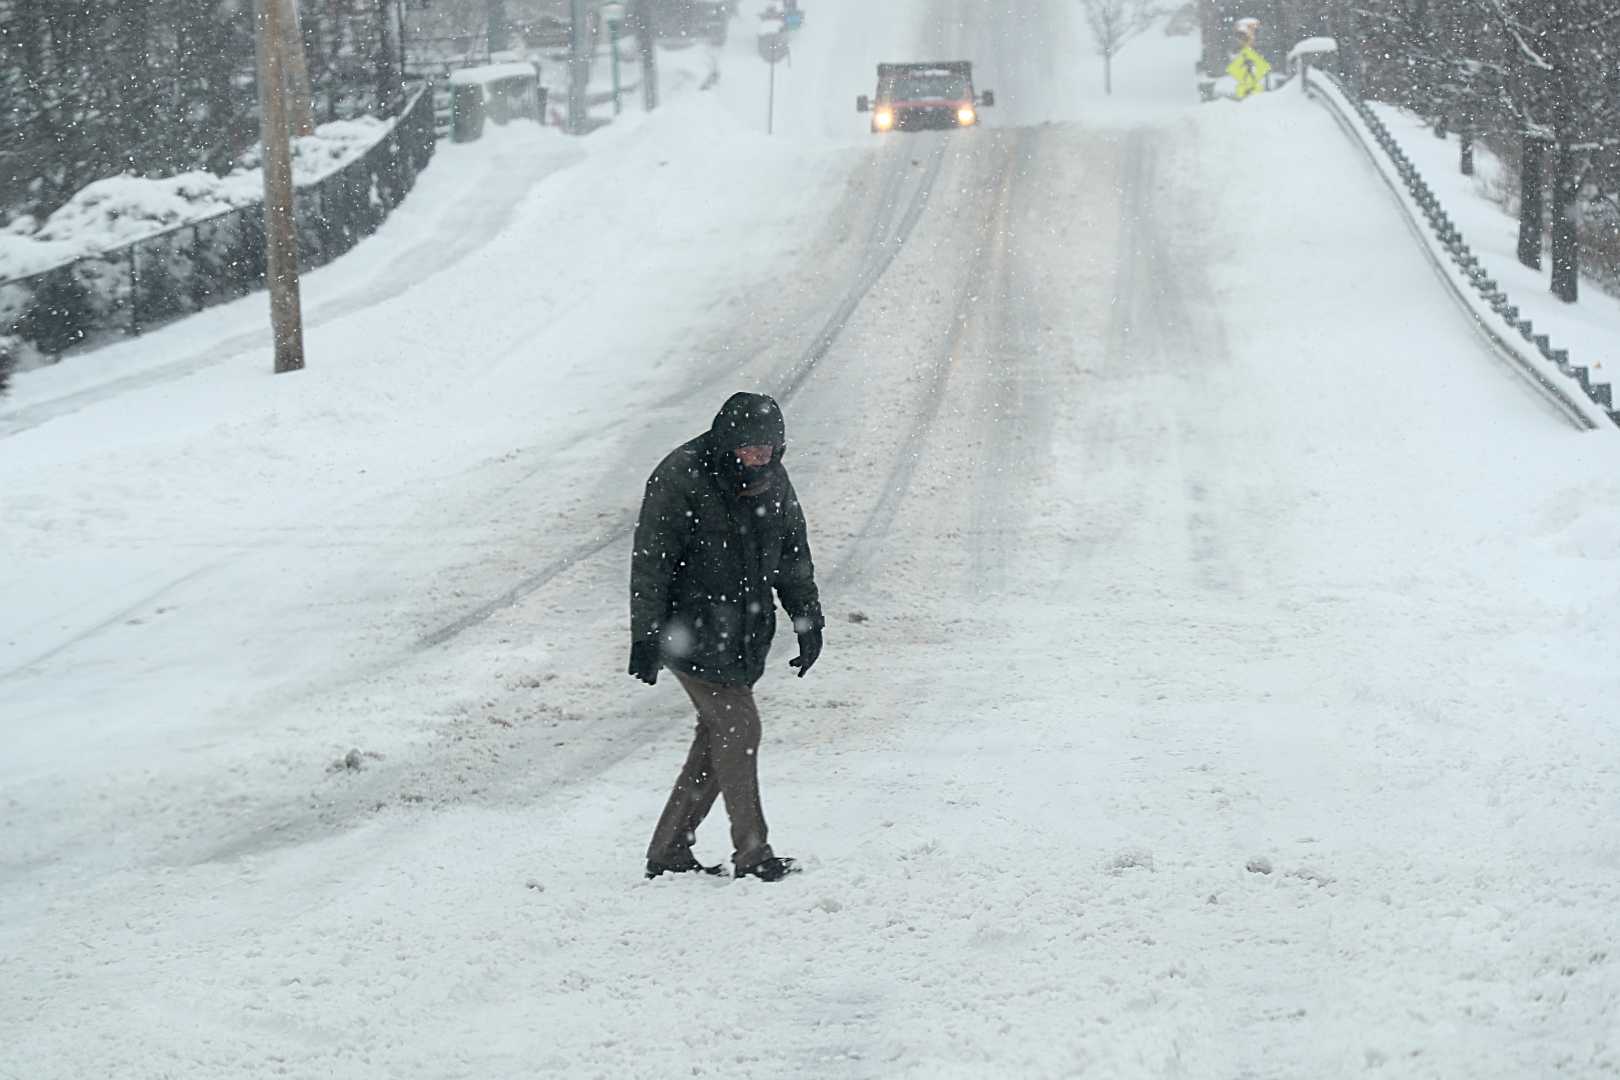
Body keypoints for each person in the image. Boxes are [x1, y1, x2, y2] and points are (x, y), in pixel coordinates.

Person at [629, 391, 824, 882]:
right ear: (729, 441)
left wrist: (807, 618)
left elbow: (792, 554)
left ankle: (671, 848)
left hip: (742, 633)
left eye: (770, 448)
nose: (762, 457)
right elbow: (651, 563)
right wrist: (647, 634)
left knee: (721, 737)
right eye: (752, 448)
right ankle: (752, 853)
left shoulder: (773, 482)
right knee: (740, 729)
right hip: (689, 632)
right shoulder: (681, 477)